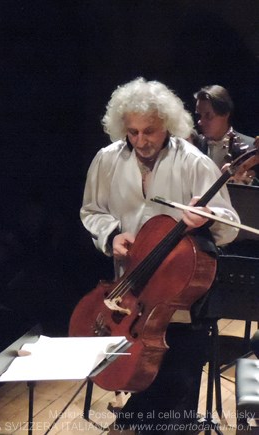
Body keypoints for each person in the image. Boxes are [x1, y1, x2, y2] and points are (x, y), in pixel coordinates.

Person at [80, 77, 240, 434]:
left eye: (149, 131)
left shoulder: (194, 163)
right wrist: (112, 235)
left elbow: (229, 225)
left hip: (180, 295)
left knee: (176, 381)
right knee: (142, 372)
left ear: (167, 123)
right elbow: (91, 211)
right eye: (133, 132)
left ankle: (137, 424)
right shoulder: (106, 160)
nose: (141, 141)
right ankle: (135, 422)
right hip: (131, 293)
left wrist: (206, 218)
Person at [193, 85, 256, 183]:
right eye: (199, 115)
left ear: (225, 113)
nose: (200, 122)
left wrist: (246, 180)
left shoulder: (252, 148)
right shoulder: (194, 146)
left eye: (208, 115)